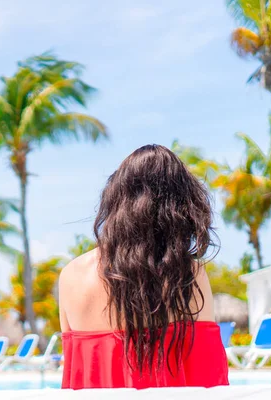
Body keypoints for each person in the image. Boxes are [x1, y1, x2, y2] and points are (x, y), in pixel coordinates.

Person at [58, 144, 229, 390]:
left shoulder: (71, 275)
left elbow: (73, 377)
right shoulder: (188, 276)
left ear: (114, 200)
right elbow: (209, 377)